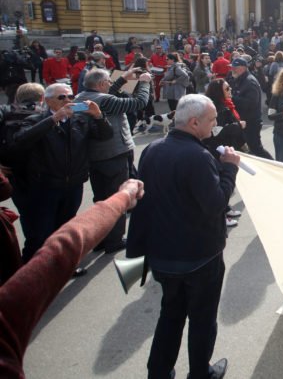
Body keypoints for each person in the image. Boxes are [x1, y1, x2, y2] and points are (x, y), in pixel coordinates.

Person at [127, 95, 240, 379]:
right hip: (199, 256)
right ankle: (200, 372)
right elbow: (216, 203)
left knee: (171, 314)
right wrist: (229, 169)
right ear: (194, 122)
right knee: (202, 319)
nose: (215, 126)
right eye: (212, 121)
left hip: (163, 254)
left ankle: (159, 371)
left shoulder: (153, 149)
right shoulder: (197, 156)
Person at [0, 179, 144, 378]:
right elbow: (65, 247)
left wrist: (122, 198)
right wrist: (123, 197)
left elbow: (65, 246)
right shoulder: (8, 316)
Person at [11, 83, 112, 264]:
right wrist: (54, 119)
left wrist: (98, 116)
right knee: (40, 234)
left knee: (66, 229)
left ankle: (64, 266)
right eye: (62, 97)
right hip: (46, 187)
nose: (68, 101)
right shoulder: (36, 120)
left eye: (71, 97)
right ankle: (31, 274)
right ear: (48, 101)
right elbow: (21, 140)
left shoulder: (80, 120)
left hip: (73, 185)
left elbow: (105, 135)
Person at [76, 67, 151, 254]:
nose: (111, 84)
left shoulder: (82, 98)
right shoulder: (106, 100)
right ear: (101, 84)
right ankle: (114, 241)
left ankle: (100, 238)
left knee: (100, 198)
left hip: (94, 156)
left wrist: (123, 79)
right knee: (118, 197)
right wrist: (145, 83)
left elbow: (106, 95)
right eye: (109, 82)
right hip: (114, 154)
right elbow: (138, 103)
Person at [229, 57, 273, 159]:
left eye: (234, 68)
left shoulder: (249, 82)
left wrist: (232, 99)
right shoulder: (239, 79)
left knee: (256, 148)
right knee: (236, 146)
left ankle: (274, 165)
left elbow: (250, 103)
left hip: (251, 122)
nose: (232, 70)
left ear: (242, 68)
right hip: (243, 121)